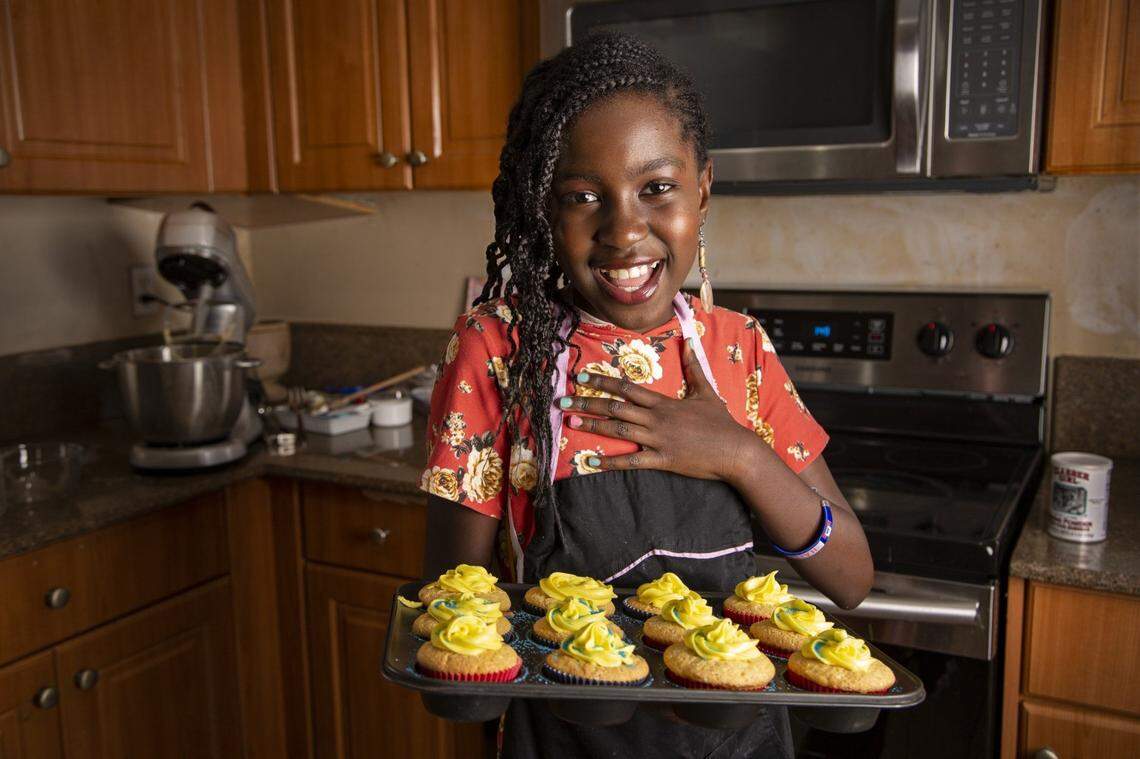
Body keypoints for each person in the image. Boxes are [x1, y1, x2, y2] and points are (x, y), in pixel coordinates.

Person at [420, 31, 873, 759]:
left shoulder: (737, 350)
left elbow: (851, 577)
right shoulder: (499, 351)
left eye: (656, 188)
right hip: (569, 740)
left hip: (738, 738)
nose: (624, 230)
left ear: (703, 188)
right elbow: (454, 603)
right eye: (581, 196)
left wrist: (739, 454)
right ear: (544, 209)